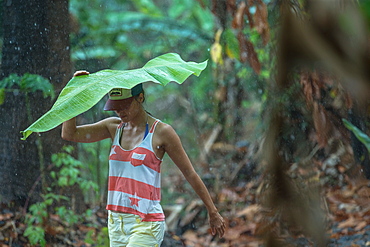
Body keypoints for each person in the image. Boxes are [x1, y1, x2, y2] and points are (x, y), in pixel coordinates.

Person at [61, 70, 226, 246]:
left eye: (124, 105)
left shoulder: (162, 132)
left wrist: (213, 211)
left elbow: (189, 172)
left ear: (140, 97)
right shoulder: (113, 127)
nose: (119, 111)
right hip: (116, 222)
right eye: (115, 106)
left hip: (146, 222)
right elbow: (70, 133)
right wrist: (74, 92)